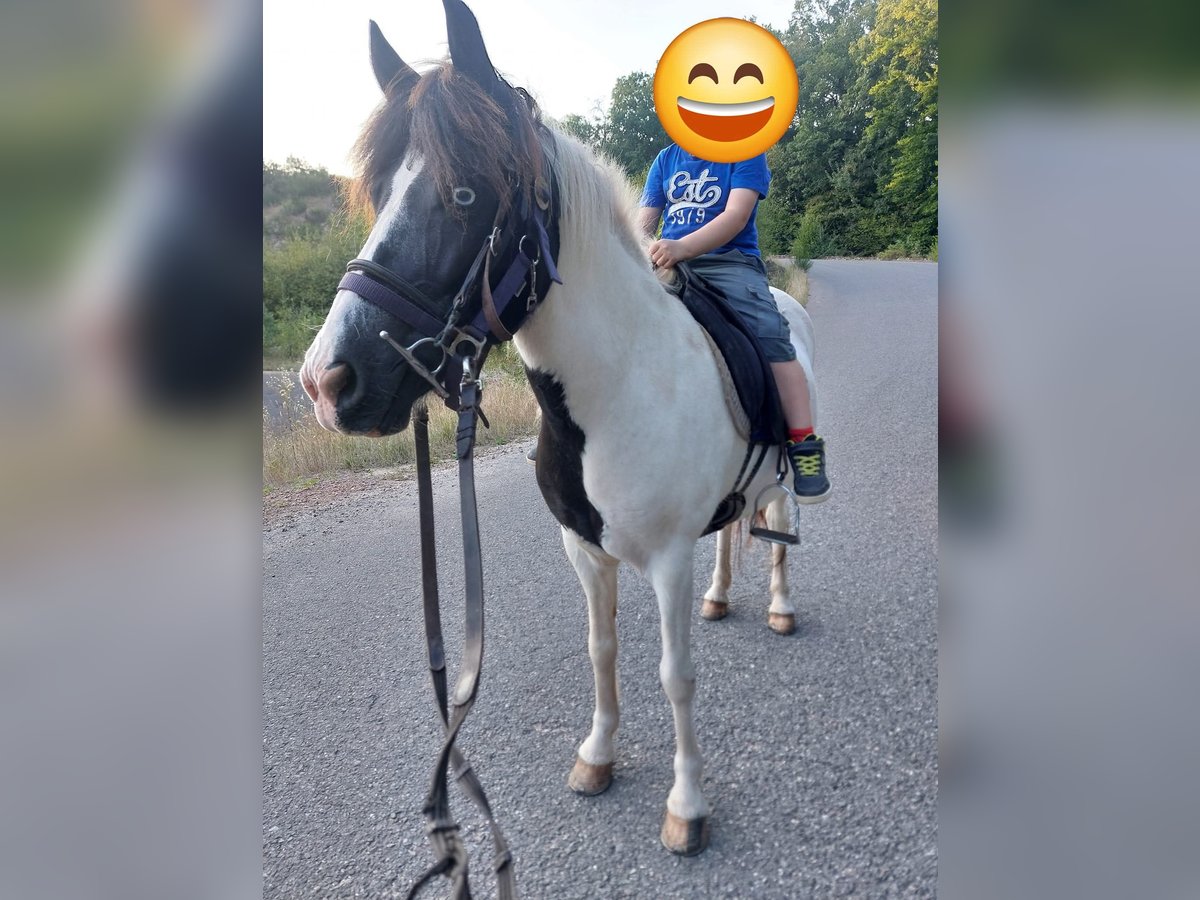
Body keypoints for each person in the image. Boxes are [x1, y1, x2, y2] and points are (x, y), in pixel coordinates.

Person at [639, 144, 831, 501]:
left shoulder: (744, 151)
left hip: (730, 264)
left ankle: (804, 445)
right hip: (668, 265)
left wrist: (682, 247)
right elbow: (644, 223)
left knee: (770, 337)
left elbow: (736, 216)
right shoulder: (666, 159)